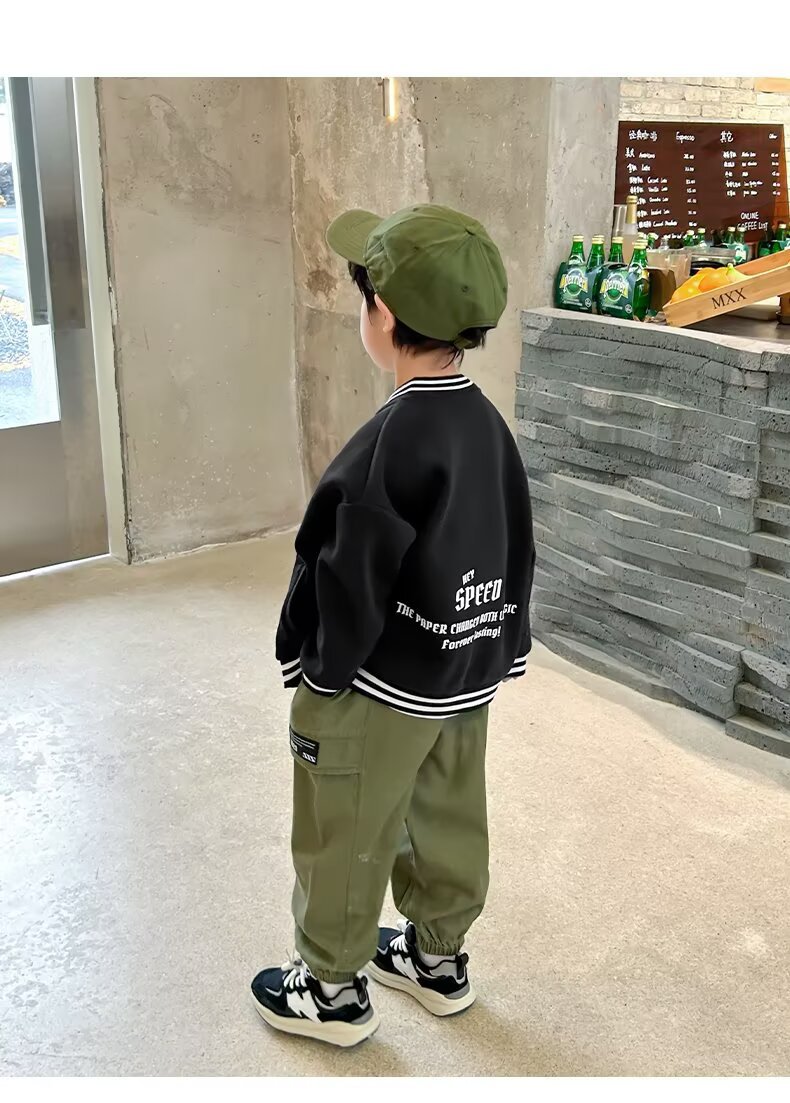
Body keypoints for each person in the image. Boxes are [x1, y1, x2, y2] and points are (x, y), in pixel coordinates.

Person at [251, 204, 535, 1048]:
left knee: (343, 819)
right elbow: (514, 539)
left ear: (379, 313)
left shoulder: (391, 437)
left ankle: (330, 990)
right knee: (448, 809)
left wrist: (315, 668)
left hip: (379, 679)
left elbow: (344, 566)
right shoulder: (486, 425)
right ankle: (438, 958)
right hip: (463, 670)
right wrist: (500, 644)